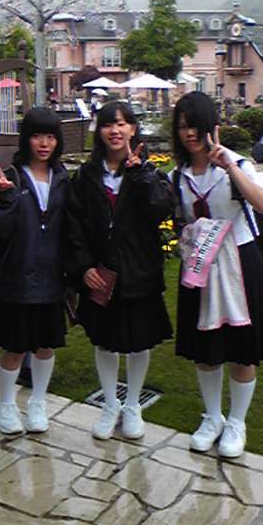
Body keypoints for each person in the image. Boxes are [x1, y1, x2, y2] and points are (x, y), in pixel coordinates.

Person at [171, 91, 263, 458]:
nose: (189, 133)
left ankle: (237, 422)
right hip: (200, 268)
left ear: (211, 126)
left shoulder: (237, 164)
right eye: (182, 127)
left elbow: (262, 204)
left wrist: (229, 166)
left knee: (241, 351)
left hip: (239, 265)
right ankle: (213, 417)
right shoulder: (178, 174)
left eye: (195, 125)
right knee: (206, 350)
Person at [65, 101, 173, 440]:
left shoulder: (149, 172)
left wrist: (140, 174)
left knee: (140, 342)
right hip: (102, 273)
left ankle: (133, 405)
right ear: (99, 131)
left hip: (139, 272)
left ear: (133, 129)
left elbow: (161, 209)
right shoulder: (86, 176)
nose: (116, 130)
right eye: (109, 124)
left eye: (123, 123)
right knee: (104, 341)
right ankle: (110, 404)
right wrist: (83, 266)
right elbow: (73, 226)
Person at [0, 107, 68, 435]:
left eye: (50, 136)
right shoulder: (11, 177)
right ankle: (5, 404)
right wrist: (4, 199)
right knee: (15, 347)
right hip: (17, 277)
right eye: (37, 136)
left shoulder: (62, 179)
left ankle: (38, 402)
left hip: (51, 277)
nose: (44, 143)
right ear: (25, 139)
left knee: (46, 345)